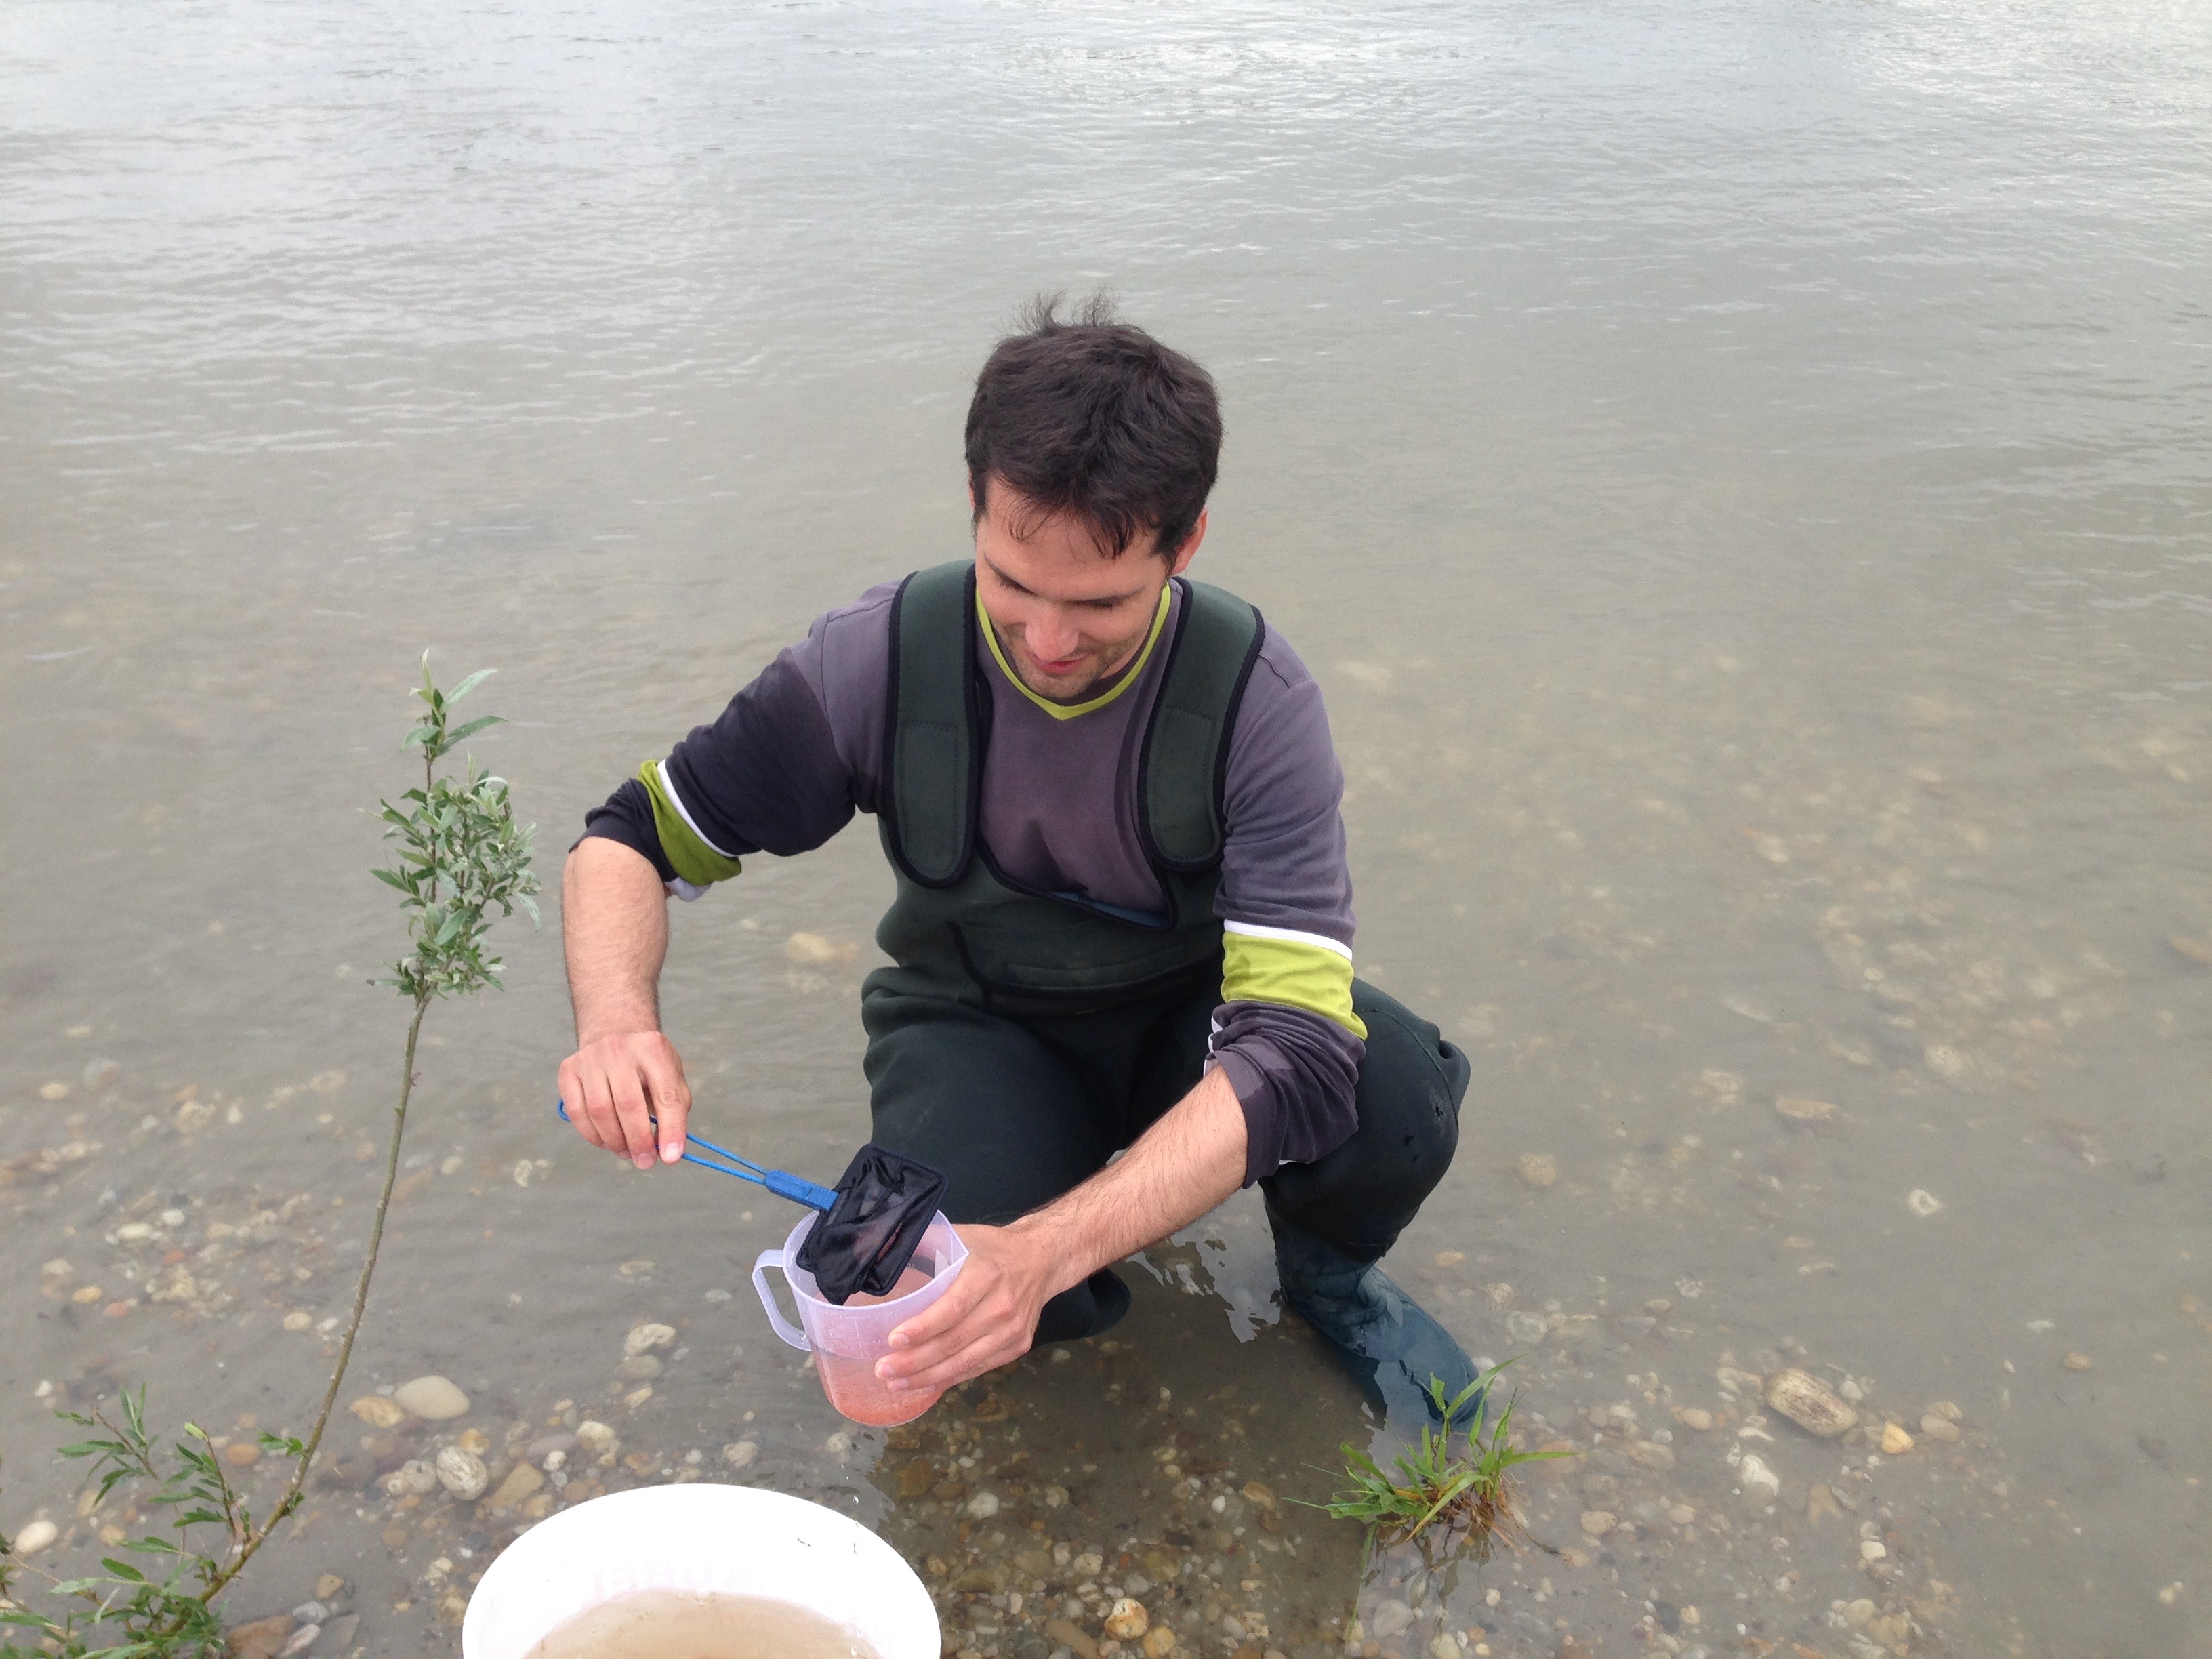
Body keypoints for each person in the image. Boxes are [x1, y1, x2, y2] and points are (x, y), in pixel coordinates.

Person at [556, 298, 1479, 1423]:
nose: (1046, 643)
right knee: (913, 1314)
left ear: (1185, 544)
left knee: (1390, 1100)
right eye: (1011, 583)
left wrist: (1042, 1250)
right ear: (975, 504)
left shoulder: (1257, 701)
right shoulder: (877, 659)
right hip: (978, 1022)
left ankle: (1329, 1285)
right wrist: (617, 1024)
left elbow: (1293, 1049)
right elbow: (629, 838)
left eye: (1100, 604)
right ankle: (1046, 1290)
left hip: (1192, 1019)